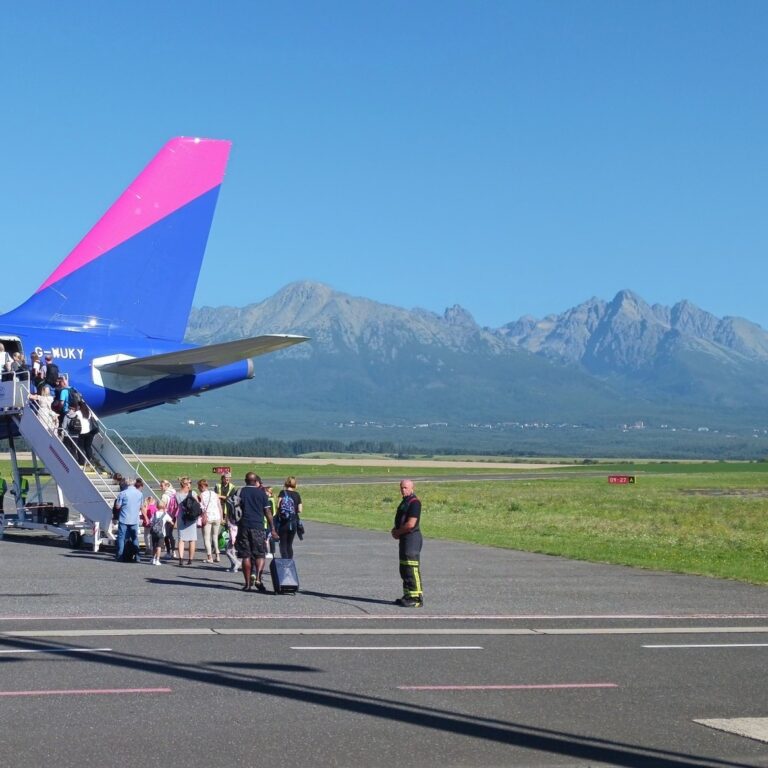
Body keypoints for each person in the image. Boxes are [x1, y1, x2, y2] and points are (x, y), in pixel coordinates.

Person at [234, 472, 276, 592]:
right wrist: (272, 528)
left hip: (243, 526)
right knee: (260, 554)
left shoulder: (240, 491)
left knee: (246, 555)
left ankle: (247, 584)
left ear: (245, 480)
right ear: (256, 480)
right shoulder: (261, 493)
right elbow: (268, 512)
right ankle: (258, 578)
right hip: (257, 526)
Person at [391, 479, 424, 608]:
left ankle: (416, 598)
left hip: (412, 539)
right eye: (401, 488)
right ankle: (408, 595)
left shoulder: (414, 503)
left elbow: (410, 524)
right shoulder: (405, 502)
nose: (403, 490)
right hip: (404, 539)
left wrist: (398, 532)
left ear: (412, 488)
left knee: (411, 568)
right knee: (404, 569)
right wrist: (396, 530)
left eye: (405, 488)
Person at [114, 476, 143, 562]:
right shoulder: (140, 493)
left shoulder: (123, 493)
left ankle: (120, 555)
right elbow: (141, 506)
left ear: (126, 483)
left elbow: (118, 506)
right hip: (134, 519)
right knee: (135, 538)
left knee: (121, 537)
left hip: (124, 518)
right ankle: (137, 556)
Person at [275, 476, 303, 560]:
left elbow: (278, 505)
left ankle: (285, 562)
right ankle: (290, 562)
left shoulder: (282, 493)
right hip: (293, 522)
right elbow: (300, 510)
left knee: (283, 543)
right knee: (289, 544)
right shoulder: (297, 495)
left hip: (283, 522)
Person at [174, 476, 200, 565]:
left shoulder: (177, 494)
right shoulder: (193, 493)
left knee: (181, 539)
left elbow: (177, 505)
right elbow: (197, 504)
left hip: (182, 517)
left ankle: (181, 558)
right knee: (192, 539)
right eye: (190, 482)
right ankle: (190, 559)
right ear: (186, 484)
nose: (190, 484)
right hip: (191, 518)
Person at [198, 478, 222, 564]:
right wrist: (221, 517)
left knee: (206, 538)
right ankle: (218, 555)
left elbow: (200, 508)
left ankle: (209, 556)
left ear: (201, 486)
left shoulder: (201, 495)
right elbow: (219, 506)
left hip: (207, 517)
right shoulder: (214, 493)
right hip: (217, 516)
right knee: (215, 537)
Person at [158, 479, 177, 559]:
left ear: (167, 486)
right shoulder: (174, 493)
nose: (161, 487)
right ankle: (173, 551)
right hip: (174, 515)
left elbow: (160, 505)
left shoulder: (165, 496)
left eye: (162, 486)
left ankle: (169, 552)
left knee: (166, 534)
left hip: (166, 516)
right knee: (170, 533)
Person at [77, 402, 96, 466]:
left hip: (81, 432)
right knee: (88, 447)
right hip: (90, 432)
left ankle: (81, 461)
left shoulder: (78, 413)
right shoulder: (89, 412)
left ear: (79, 407)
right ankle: (90, 460)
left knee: (80, 447)